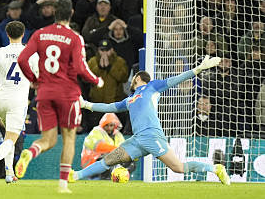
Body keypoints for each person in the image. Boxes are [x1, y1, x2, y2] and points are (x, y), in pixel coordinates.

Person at [72, 56, 231, 185]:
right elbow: (109, 107)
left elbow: (175, 80)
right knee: (108, 160)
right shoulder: (130, 99)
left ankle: (215, 168)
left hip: (152, 136)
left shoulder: (152, 87)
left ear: (138, 78)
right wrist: (86, 104)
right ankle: (76, 176)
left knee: (179, 168)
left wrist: (196, 70)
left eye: (133, 78)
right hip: (137, 140)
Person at [15, 0, 103, 193]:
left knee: (49, 140)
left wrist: (33, 80)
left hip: (45, 92)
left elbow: (22, 59)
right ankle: (63, 184)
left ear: (54, 13)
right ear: (71, 13)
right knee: (69, 137)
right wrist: (97, 80)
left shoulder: (40, 34)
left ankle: (30, 152)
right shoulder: (74, 38)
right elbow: (80, 67)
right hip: (67, 94)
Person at [0, 21, 30, 184]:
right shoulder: (29, 53)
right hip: (18, 100)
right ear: (23, 34)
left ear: (7, 35)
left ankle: (9, 172)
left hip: (0, 99)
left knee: (9, 136)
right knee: (11, 139)